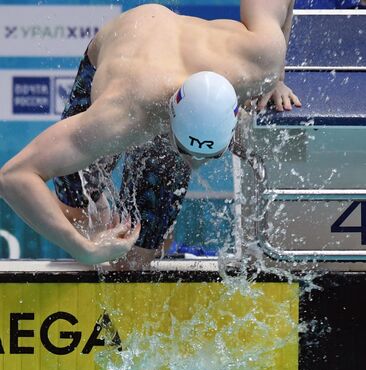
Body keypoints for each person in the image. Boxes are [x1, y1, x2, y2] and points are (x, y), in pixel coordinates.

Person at [0, 0, 301, 268]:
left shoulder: (263, 60)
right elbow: (14, 176)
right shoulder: (117, 115)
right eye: (186, 151)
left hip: (174, 76)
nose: (196, 165)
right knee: (77, 210)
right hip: (134, 44)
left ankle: (153, 243)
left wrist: (276, 79)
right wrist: (85, 249)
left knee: (135, 261)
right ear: (169, 122)